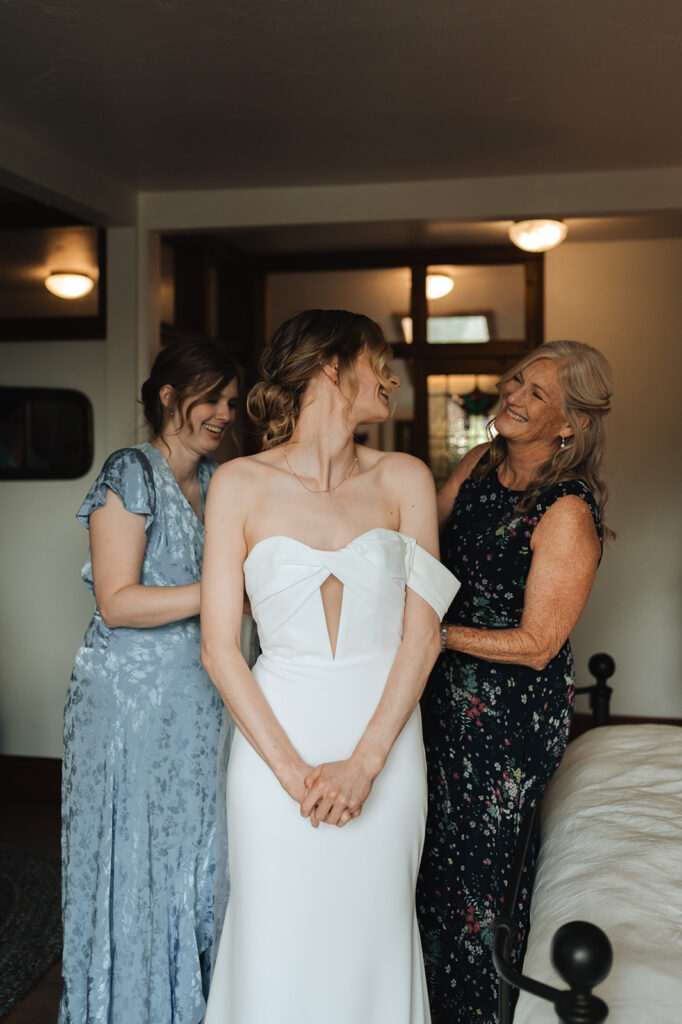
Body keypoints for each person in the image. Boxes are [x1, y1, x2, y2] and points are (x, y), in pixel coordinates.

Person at [200, 309, 459, 1024]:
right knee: (277, 932)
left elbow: (423, 635)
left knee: (371, 930)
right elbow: (220, 648)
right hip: (275, 746)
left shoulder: (404, 478)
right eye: (382, 359)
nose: (394, 378)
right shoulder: (237, 486)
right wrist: (294, 776)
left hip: (384, 741)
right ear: (332, 366)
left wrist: (365, 765)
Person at [416, 340, 614, 1022]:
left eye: (536, 393)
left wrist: (435, 636)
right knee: (430, 867)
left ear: (571, 423)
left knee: (477, 887)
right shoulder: (478, 463)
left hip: (507, 720)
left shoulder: (566, 511)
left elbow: (538, 646)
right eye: (516, 382)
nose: (514, 396)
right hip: (439, 698)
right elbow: (420, 540)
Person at [59, 339, 239, 1024]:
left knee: (197, 859)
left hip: (199, 699)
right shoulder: (130, 471)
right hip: (128, 705)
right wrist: (221, 590)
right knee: (138, 861)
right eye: (211, 397)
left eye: (230, 400)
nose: (224, 412)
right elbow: (118, 602)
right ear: (169, 396)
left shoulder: (222, 481)